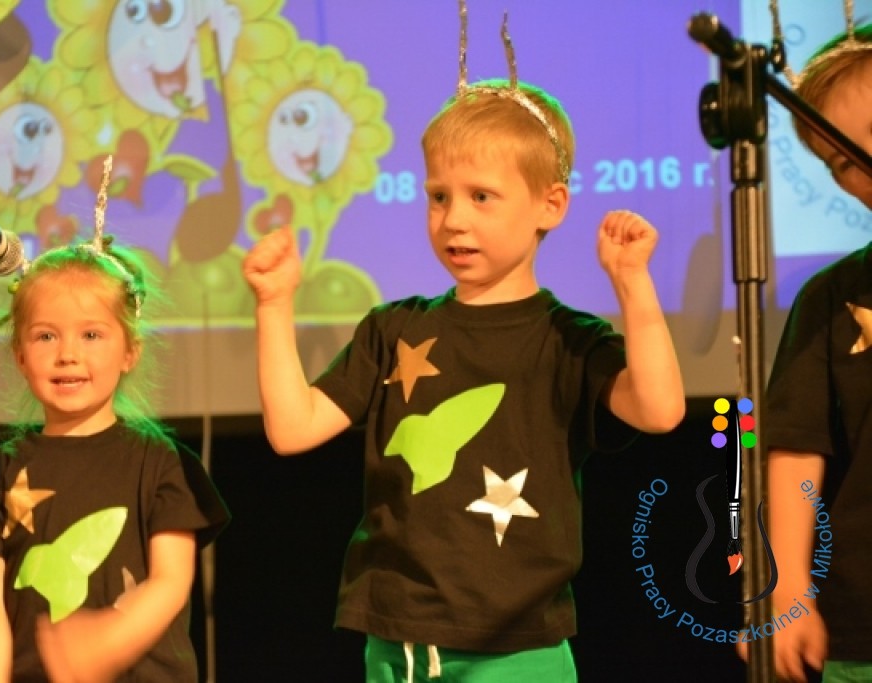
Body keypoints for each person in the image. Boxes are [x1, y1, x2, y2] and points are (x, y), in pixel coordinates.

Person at [242, 44, 685, 682]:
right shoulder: (394, 329)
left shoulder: (568, 340)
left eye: (481, 197)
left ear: (551, 205)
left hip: (517, 651)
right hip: (396, 646)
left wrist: (633, 284)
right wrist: (274, 304)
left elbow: (660, 410)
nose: (453, 220)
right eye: (438, 196)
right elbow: (292, 428)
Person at [0, 170, 229, 682]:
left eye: (91, 335)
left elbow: (170, 581)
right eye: (46, 336)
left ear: (130, 351)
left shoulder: (162, 464)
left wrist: (107, 641)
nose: (67, 354)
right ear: (20, 355)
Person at [757, 21, 872, 683]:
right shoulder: (831, 297)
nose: (865, 162)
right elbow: (797, 445)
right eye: (844, 160)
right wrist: (790, 585)